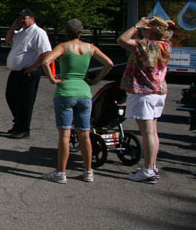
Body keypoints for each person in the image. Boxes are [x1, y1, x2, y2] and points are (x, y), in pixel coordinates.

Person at [28, 19, 113, 183]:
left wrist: (52, 79)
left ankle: (61, 172)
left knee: (64, 136)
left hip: (65, 92)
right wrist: (96, 80)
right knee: (85, 135)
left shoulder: (63, 47)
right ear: (81, 32)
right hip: (84, 93)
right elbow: (109, 63)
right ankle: (88, 171)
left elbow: (46, 61)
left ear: (66, 32)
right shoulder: (90, 48)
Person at [118, 15, 175, 184]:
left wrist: (137, 25)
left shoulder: (146, 45)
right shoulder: (166, 45)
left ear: (152, 30)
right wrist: (165, 25)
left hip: (144, 92)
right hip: (158, 90)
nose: (144, 29)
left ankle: (148, 170)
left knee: (147, 132)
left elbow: (122, 40)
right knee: (153, 132)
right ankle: (151, 165)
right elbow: (168, 32)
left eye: (147, 27)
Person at [5, 9, 52, 139]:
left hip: (28, 72)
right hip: (16, 72)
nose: (21, 21)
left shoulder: (38, 33)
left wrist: (33, 67)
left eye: (23, 18)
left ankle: (24, 129)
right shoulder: (21, 32)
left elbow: (46, 53)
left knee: (26, 101)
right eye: (19, 18)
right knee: (11, 97)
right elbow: (8, 40)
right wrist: (14, 25)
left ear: (31, 18)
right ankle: (18, 123)